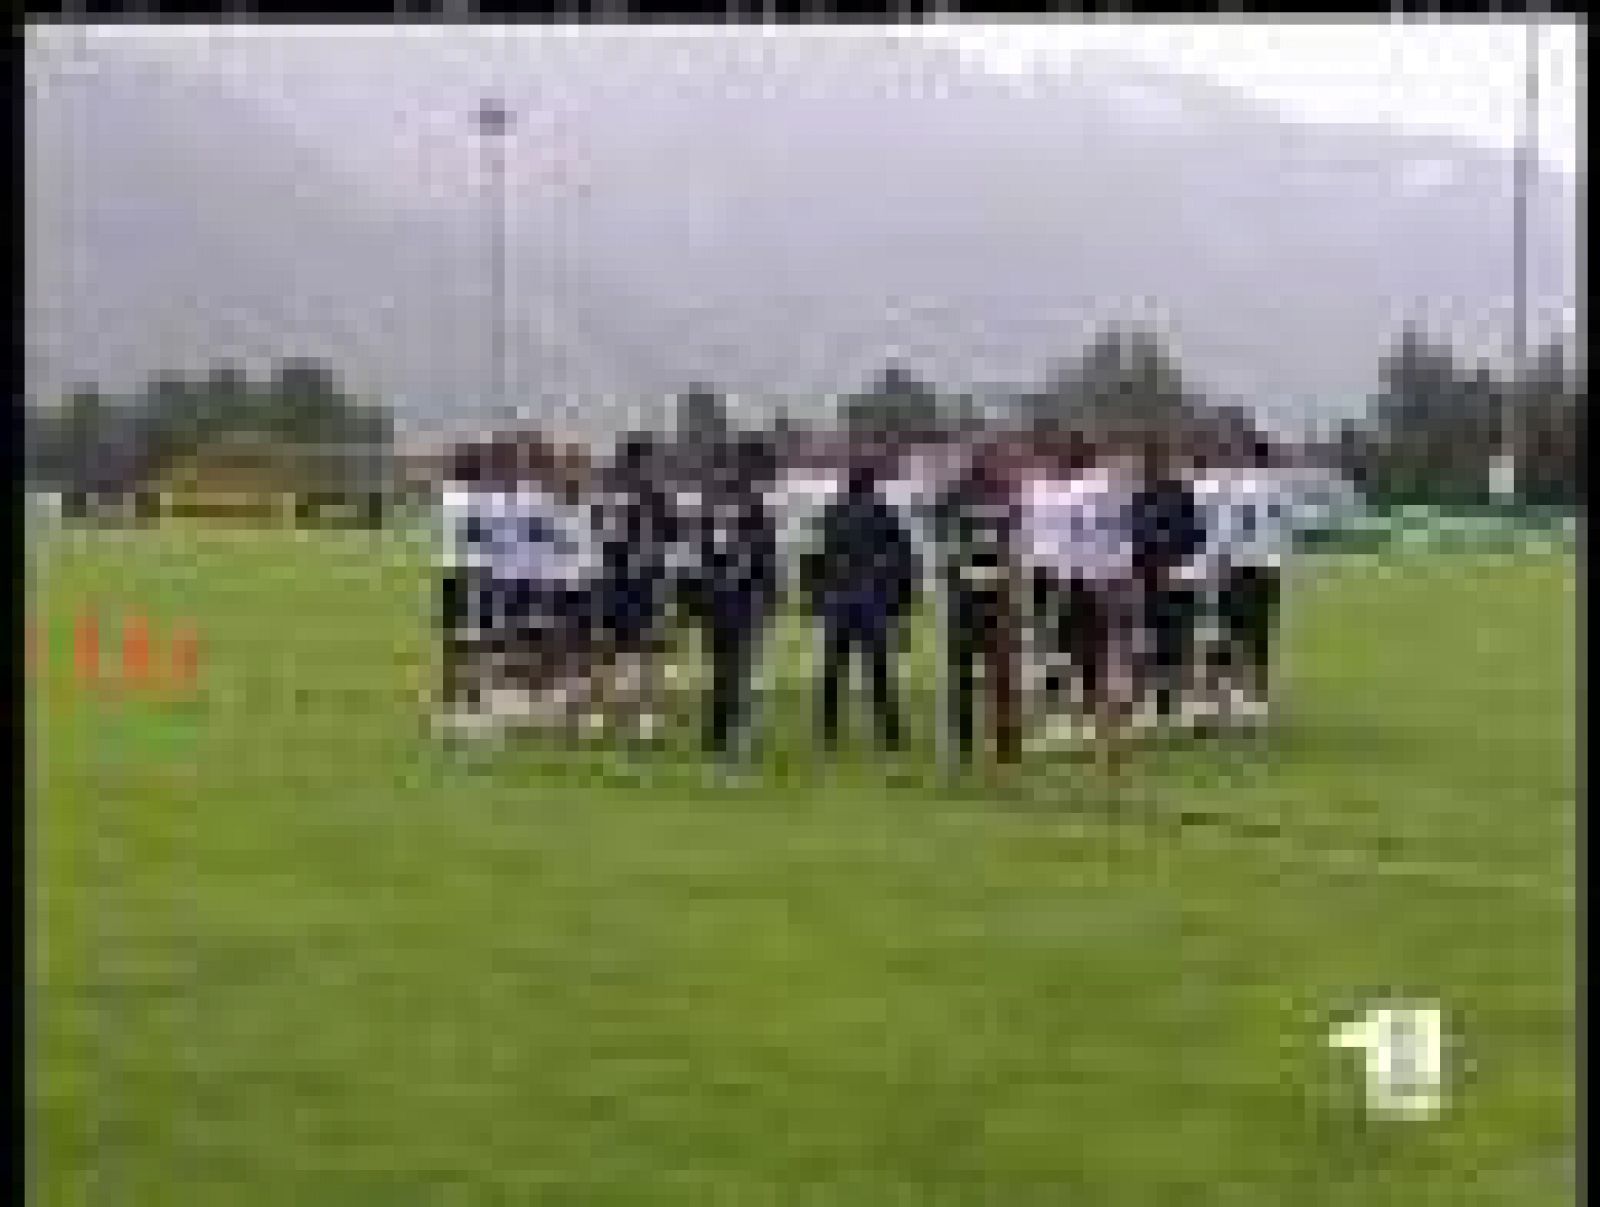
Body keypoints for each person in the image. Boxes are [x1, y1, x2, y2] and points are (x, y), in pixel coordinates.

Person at [800, 456, 920, 751]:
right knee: (878, 670)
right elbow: (904, 563)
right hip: (874, 601)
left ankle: (828, 731)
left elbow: (814, 560)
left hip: (838, 599)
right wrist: (899, 603)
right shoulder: (885, 516)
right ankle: (888, 732)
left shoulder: (832, 515)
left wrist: (815, 598)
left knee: (833, 669)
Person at [685, 436, 780, 765]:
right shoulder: (746, 509)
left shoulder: (727, 507)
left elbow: (760, 556)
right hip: (733, 597)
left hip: (729, 596)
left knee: (728, 669)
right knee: (734, 669)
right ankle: (730, 738)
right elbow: (759, 557)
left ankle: (724, 736)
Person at [933, 442, 1022, 768]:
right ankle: (990, 743)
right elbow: (951, 545)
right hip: (981, 596)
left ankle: (984, 742)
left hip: (977, 596)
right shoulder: (989, 500)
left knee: (980, 673)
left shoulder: (986, 499)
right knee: (985, 673)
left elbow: (950, 551)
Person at [587, 433, 679, 741]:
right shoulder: (649, 495)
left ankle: (607, 715)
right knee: (637, 651)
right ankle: (636, 716)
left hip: (620, 580)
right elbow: (672, 536)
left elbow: (597, 531)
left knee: (616, 650)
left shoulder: (613, 494)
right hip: (634, 581)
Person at [1127, 435, 1208, 727]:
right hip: (1148, 576)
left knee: (1178, 639)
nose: (1153, 468)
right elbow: (1133, 535)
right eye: (1149, 462)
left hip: (1178, 577)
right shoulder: (1138, 497)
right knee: (1150, 638)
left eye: (1159, 461)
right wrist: (1145, 564)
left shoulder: (1182, 496)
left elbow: (1195, 535)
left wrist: (1175, 561)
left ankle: (1175, 698)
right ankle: (1156, 698)